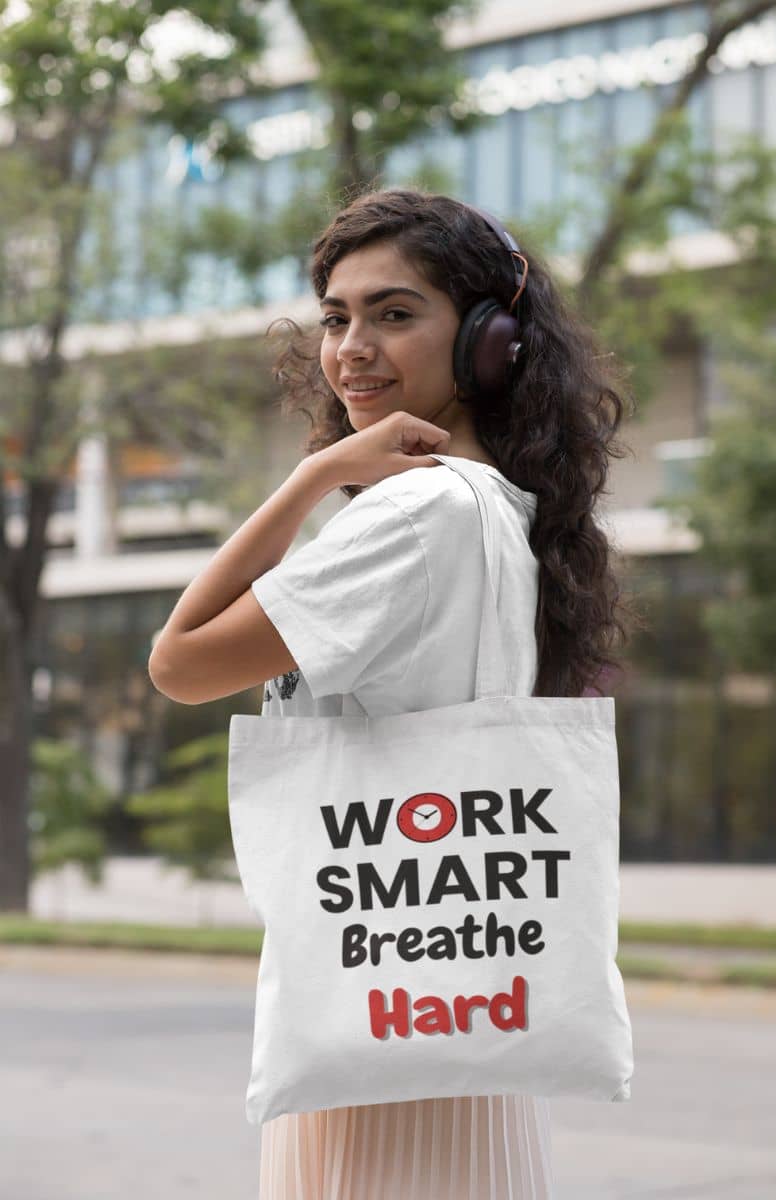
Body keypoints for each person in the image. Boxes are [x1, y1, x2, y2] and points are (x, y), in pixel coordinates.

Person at [149, 187, 636, 1198]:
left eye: (395, 313)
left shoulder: (414, 514)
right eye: (336, 318)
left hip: (380, 1028)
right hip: (458, 1015)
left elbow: (181, 659)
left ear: (488, 341)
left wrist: (312, 477)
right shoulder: (497, 505)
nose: (351, 348)